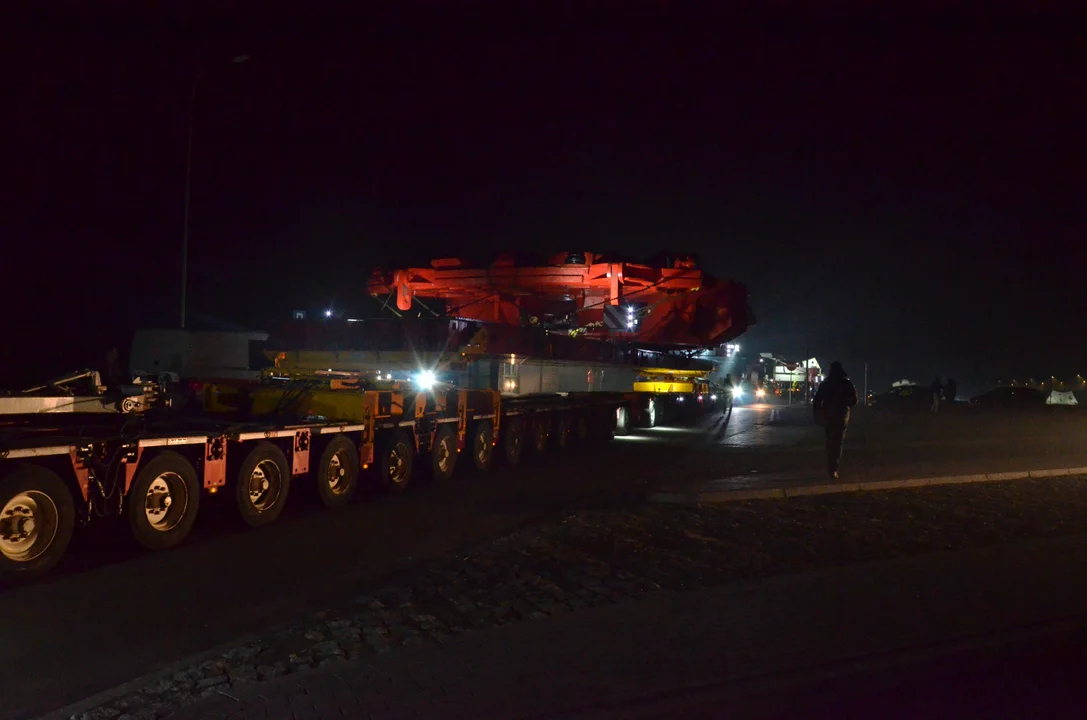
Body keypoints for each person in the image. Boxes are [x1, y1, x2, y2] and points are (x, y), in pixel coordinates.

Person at [812, 361, 858, 480]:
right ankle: (833, 467)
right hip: (841, 415)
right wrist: (844, 403)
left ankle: (831, 465)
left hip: (828, 415)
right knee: (837, 442)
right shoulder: (846, 383)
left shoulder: (826, 383)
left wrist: (819, 412)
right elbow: (854, 400)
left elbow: (817, 400)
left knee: (830, 441)